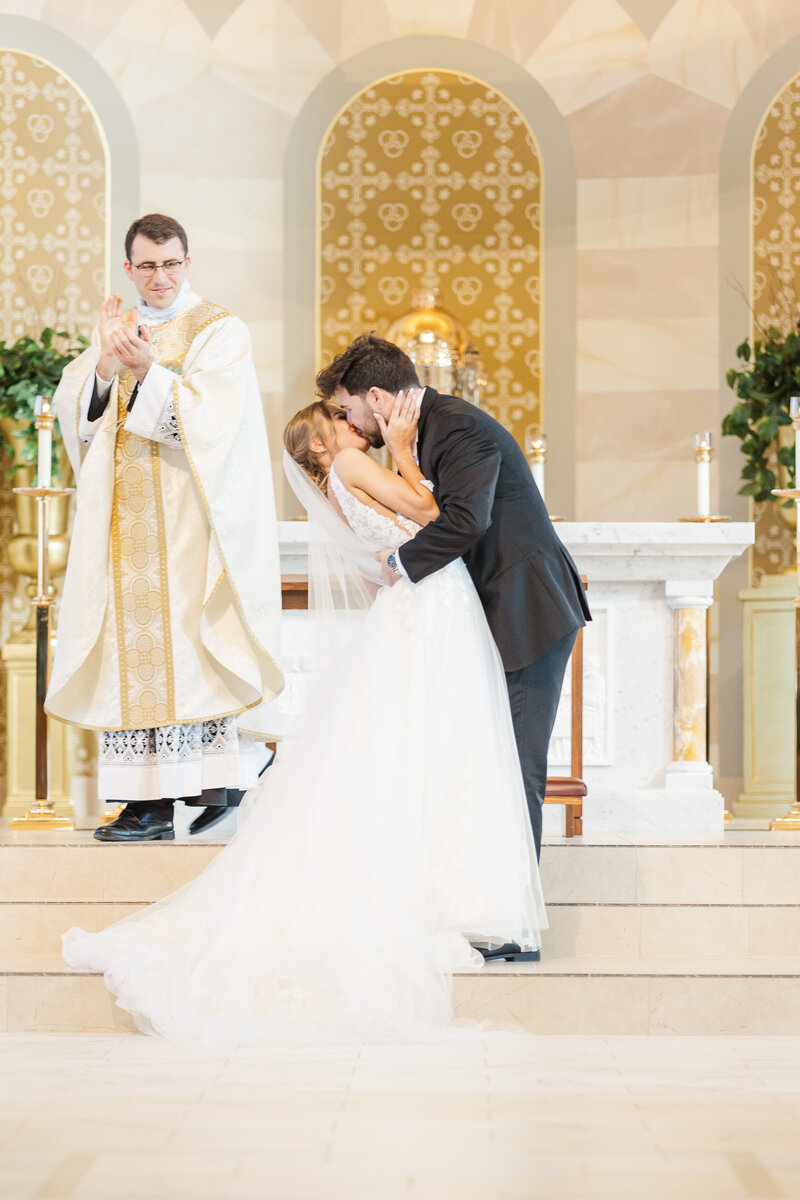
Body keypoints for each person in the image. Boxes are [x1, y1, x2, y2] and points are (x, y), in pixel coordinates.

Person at [62, 399, 545, 1041]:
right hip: (431, 608)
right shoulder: (350, 461)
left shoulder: (342, 473)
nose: (355, 428)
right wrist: (403, 447)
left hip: (425, 603)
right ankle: (445, 895)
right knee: (435, 743)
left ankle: (446, 890)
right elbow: (430, 512)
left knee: (420, 746)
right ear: (321, 444)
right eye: (342, 421)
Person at [316, 334, 590, 938]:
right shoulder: (417, 434)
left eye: (349, 408)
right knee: (488, 760)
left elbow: (467, 520)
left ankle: (514, 925)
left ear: (379, 398)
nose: (347, 420)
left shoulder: (456, 425)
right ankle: (484, 906)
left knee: (517, 764)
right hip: (497, 609)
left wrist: (397, 567)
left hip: (527, 609)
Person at [46, 214, 283, 841]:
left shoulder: (219, 331)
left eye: (171, 263)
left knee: (187, 652)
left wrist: (151, 371)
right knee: (134, 656)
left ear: (187, 261)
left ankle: (174, 797)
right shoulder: (119, 329)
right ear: (128, 268)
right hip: (124, 528)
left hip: (187, 529)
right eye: (146, 265)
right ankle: (171, 795)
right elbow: (81, 413)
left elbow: (216, 426)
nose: (159, 276)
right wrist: (103, 366)